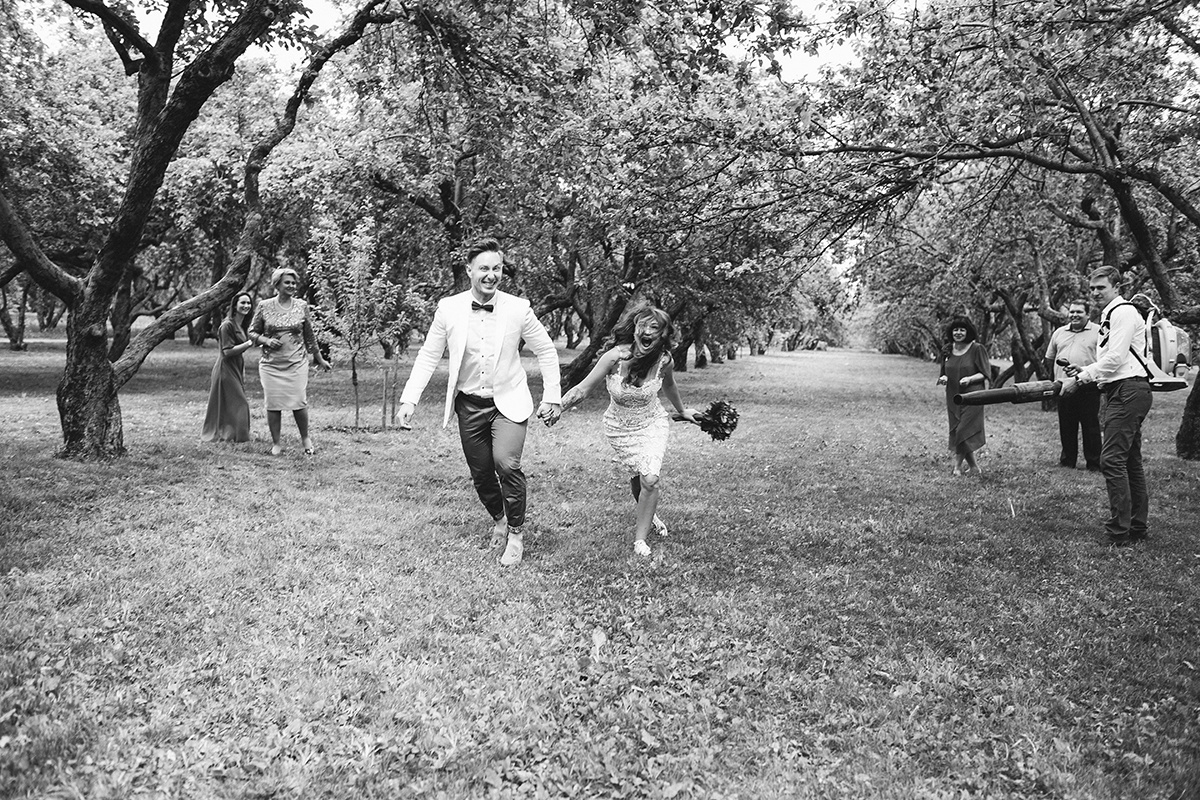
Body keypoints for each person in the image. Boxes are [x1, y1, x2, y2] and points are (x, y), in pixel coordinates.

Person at [398, 238, 562, 567]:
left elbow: (546, 350)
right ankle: (500, 519)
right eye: (484, 268)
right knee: (482, 474)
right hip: (469, 405)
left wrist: (553, 396)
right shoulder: (448, 308)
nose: (491, 275)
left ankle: (515, 533)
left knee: (506, 463)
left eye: (497, 268)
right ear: (469, 270)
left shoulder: (518, 308)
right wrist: (409, 400)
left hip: (509, 401)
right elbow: (429, 355)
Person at [559, 304, 699, 557]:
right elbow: (583, 388)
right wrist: (558, 407)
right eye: (641, 325)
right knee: (640, 477)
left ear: (663, 334)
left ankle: (640, 541)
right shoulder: (615, 357)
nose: (646, 331)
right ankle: (650, 513)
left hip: (651, 423)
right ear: (633, 329)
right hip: (619, 428)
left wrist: (683, 410)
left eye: (654, 327)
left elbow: (669, 385)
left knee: (650, 479)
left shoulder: (664, 360)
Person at [1062, 266, 1153, 546]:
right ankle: (1136, 527)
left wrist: (1082, 377)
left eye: (1101, 287)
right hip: (1120, 389)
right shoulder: (1110, 314)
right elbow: (1113, 362)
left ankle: (1119, 531)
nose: (1095, 293)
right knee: (1129, 461)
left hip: (1129, 391)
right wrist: (1086, 368)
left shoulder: (1123, 311)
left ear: (1116, 286)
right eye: (1091, 289)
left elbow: (1115, 358)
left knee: (1111, 460)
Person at [248, 268, 330, 456]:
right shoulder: (264, 305)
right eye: (287, 282)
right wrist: (266, 341)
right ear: (277, 284)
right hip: (271, 364)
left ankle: (305, 439)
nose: (292, 286)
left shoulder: (301, 306)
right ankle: (276, 443)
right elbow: (252, 332)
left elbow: (309, 336)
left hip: (297, 362)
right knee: (273, 403)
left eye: (293, 283)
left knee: (299, 401)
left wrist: (320, 359)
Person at [1044, 300, 1101, 471]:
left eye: (1079, 312)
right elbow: (1050, 357)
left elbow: (1105, 360)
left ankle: (1094, 463)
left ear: (1088, 314)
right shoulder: (1059, 333)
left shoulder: (1099, 332)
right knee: (1067, 425)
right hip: (1064, 386)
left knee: (1090, 426)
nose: (1074, 315)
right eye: (1072, 312)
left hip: (1088, 386)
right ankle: (1068, 461)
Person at [936, 316, 991, 476]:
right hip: (953, 396)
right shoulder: (947, 349)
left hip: (973, 395)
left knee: (963, 430)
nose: (958, 333)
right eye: (955, 329)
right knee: (957, 430)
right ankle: (974, 467)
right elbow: (944, 372)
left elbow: (985, 373)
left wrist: (970, 379)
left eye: (962, 329)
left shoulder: (977, 348)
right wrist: (944, 378)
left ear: (968, 332)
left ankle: (957, 467)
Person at [201, 292, 256, 443]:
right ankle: (237, 436)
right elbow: (227, 351)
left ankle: (230, 434)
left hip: (236, 367)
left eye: (248, 303)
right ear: (235, 306)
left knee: (230, 403)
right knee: (240, 402)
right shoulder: (227, 325)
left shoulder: (242, 325)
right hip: (225, 369)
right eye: (242, 303)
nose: (246, 306)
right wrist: (247, 344)